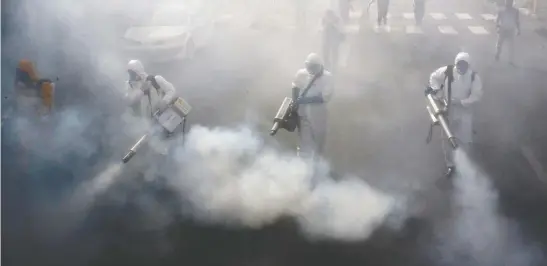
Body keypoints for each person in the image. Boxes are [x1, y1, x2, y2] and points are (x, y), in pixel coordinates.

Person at [428, 52, 483, 177]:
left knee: (465, 139)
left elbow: (477, 95)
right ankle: (450, 165)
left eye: (464, 64)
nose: (461, 67)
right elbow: (434, 77)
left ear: (468, 65)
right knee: (448, 138)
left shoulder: (474, 77)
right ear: (456, 63)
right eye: (459, 64)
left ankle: (465, 165)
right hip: (449, 110)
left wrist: (462, 102)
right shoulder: (447, 71)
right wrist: (437, 90)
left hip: (465, 112)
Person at [293, 53, 334, 162]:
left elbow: (325, 96)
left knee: (318, 138)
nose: (310, 69)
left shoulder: (327, 77)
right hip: (302, 112)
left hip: (318, 112)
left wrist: (306, 100)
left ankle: (318, 163)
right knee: (303, 139)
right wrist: (295, 101)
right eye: (308, 66)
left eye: (313, 67)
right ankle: (301, 163)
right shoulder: (301, 74)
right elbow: (295, 86)